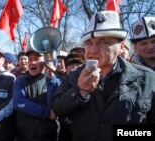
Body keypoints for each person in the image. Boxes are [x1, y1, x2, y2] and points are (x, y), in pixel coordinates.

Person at [52, 11, 155, 141]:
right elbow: (57, 109)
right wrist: (80, 92)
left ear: (121, 46)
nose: (93, 50)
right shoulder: (73, 76)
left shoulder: (147, 78)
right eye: (88, 43)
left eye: (103, 42)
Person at [13, 50, 60, 141]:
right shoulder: (20, 81)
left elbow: (54, 106)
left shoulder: (54, 81)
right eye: (30, 59)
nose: (32, 62)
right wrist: (46, 113)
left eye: (37, 59)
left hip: (49, 136)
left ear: (45, 62)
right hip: (24, 136)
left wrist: (52, 79)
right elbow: (18, 103)